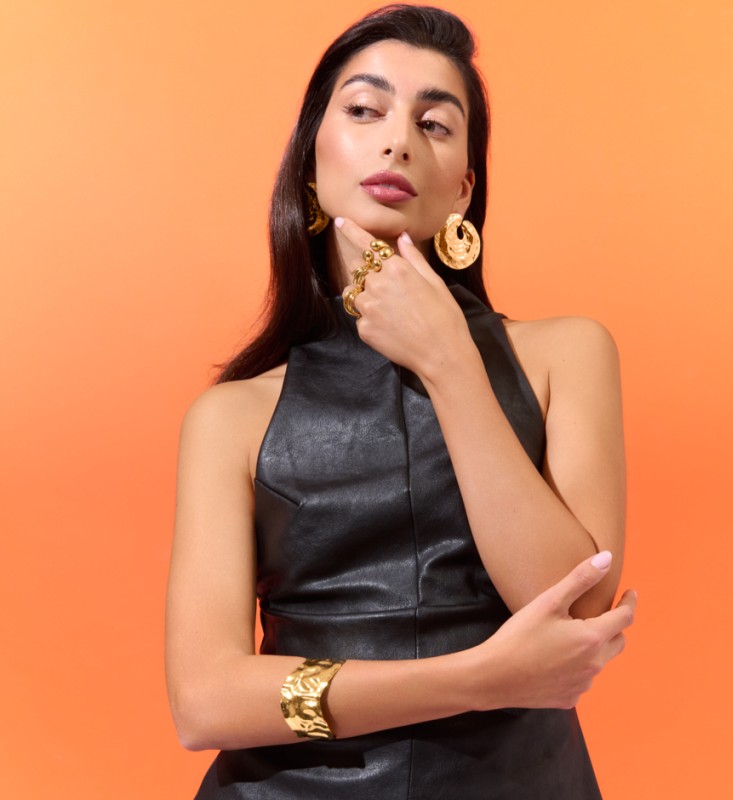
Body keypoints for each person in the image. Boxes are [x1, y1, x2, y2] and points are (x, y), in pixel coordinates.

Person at [166, 5, 636, 798]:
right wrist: (478, 678)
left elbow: (578, 606)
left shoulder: (566, 354)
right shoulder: (234, 417)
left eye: (435, 123)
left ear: (463, 190)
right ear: (311, 161)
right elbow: (204, 702)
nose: (398, 141)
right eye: (364, 110)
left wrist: (449, 361)